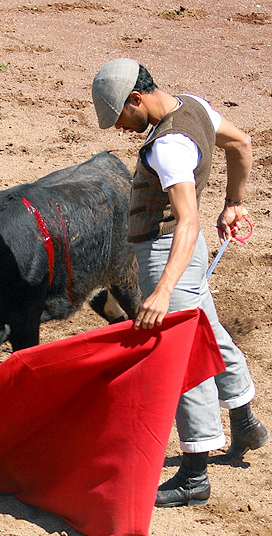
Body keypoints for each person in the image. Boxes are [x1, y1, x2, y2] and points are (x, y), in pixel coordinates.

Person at [91, 58, 269, 508]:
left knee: (183, 358)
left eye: (121, 119)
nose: (121, 130)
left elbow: (187, 221)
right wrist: (234, 202)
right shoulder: (195, 107)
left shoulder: (167, 146)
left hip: (168, 253)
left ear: (136, 99)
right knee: (208, 335)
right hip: (189, 252)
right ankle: (244, 419)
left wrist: (163, 289)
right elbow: (241, 143)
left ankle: (194, 474)